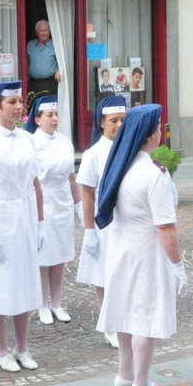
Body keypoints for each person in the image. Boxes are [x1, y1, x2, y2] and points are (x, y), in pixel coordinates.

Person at [95, 103, 185, 386]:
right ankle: (142, 382)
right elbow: (165, 227)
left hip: (121, 245)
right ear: (150, 135)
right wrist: (177, 264)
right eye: (159, 127)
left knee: (124, 311)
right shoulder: (153, 173)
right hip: (146, 248)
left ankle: (125, 374)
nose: (162, 132)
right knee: (144, 314)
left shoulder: (121, 166)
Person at [0, 81, 44, 371]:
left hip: (24, 212)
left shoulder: (27, 139)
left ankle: (22, 347)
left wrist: (41, 222)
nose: (18, 107)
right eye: (11, 102)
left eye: (20, 101)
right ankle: (0, 348)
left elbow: (36, 184)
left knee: (24, 280)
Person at [77, 95, 127, 347]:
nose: (118, 125)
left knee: (123, 272)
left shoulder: (129, 149)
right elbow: (87, 193)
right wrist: (88, 230)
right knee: (104, 274)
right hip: (104, 222)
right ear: (101, 123)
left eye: (122, 120)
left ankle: (123, 320)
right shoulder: (92, 154)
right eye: (113, 120)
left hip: (127, 220)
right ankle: (109, 324)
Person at [29, 95, 77, 324]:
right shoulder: (31, 143)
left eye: (56, 115)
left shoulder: (65, 141)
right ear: (38, 119)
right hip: (43, 201)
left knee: (61, 255)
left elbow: (71, 175)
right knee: (44, 256)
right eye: (49, 115)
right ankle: (43, 304)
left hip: (62, 201)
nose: (54, 119)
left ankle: (57, 302)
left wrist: (77, 205)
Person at [26, 19, 60, 100]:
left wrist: (59, 69)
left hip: (49, 83)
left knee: (47, 108)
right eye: (41, 31)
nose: (44, 33)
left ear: (50, 32)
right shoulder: (30, 45)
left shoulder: (55, 45)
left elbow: (63, 61)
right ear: (37, 32)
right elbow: (25, 63)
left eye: (46, 30)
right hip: (33, 83)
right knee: (33, 108)